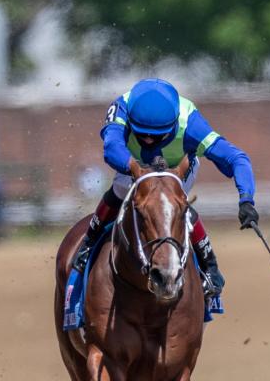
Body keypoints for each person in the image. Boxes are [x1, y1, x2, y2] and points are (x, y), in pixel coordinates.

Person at [74, 78, 258, 297]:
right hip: (134, 165)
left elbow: (237, 158)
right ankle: (89, 242)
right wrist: (135, 168)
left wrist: (246, 199)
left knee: (175, 204)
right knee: (121, 188)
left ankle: (211, 266)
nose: (149, 141)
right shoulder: (122, 107)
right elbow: (112, 147)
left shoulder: (191, 125)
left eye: (157, 136)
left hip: (176, 167)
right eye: (142, 134)